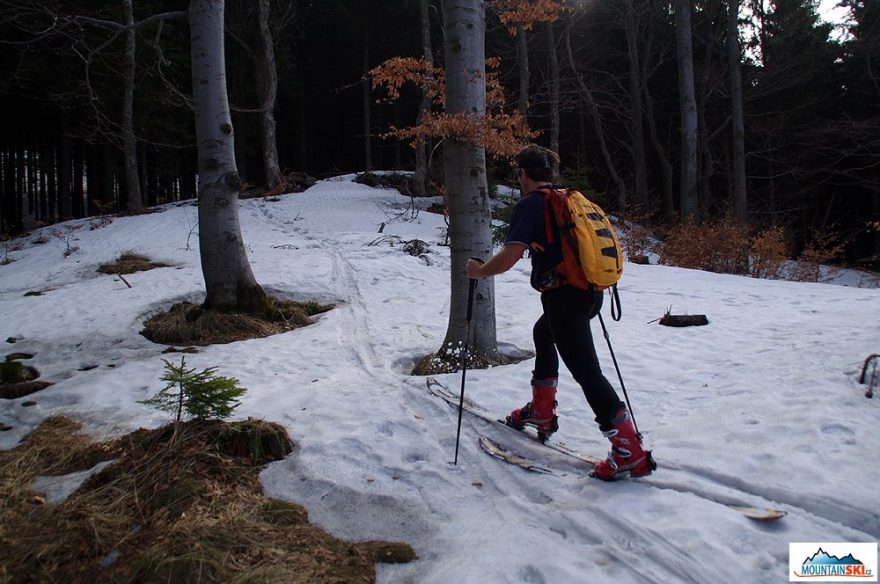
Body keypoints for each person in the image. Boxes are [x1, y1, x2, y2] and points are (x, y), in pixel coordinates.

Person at [465, 144, 654, 481]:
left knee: (587, 373)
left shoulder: (531, 205)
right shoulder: (569, 199)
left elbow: (509, 257)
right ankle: (540, 412)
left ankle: (629, 452)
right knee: (543, 333)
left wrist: (478, 272)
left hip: (565, 299)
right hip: (590, 293)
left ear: (522, 174)